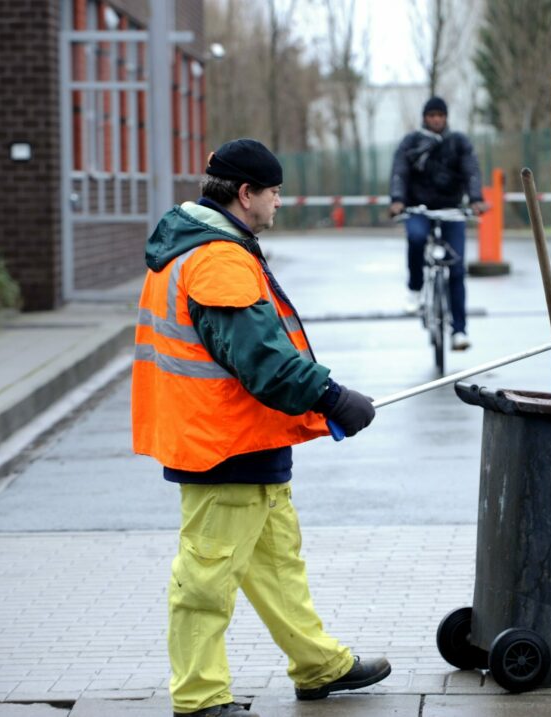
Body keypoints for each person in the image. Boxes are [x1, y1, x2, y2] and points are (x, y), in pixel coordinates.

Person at [131, 138, 391, 717]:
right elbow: (262, 361)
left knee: (277, 566)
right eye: (274, 192)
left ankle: (318, 664)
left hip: (243, 438)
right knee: (206, 577)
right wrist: (332, 397)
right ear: (246, 194)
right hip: (223, 444)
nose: (279, 202)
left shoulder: (205, 247)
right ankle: (199, 697)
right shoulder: (216, 259)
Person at [389, 95, 488, 351]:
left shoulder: (458, 142)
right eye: (432, 115)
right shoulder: (411, 142)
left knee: (456, 269)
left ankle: (459, 331)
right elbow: (399, 171)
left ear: (446, 118)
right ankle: (415, 288)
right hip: (418, 208)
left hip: (451, 210)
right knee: (416, 238)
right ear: (425, 118)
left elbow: (471, 170)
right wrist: (398, 200)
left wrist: (476, 199)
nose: (436, 120)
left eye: (440, 115)